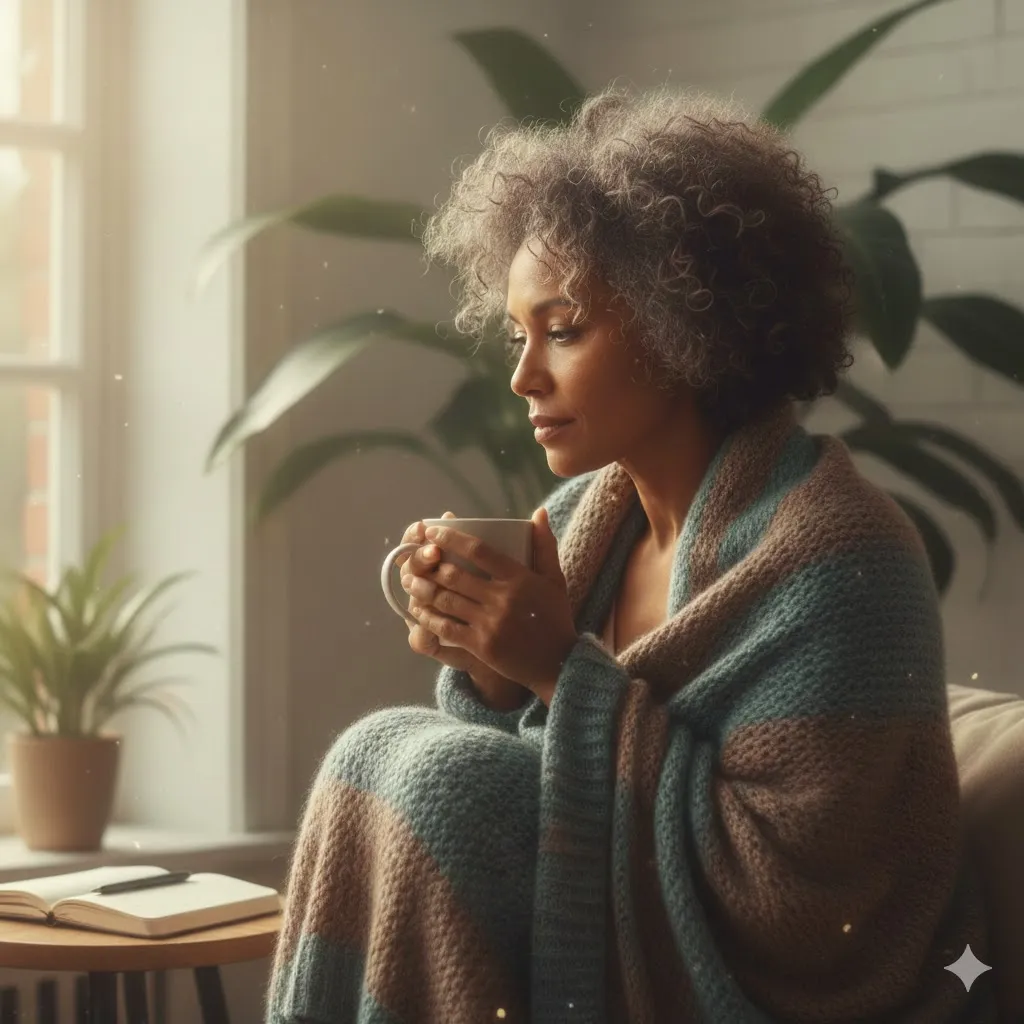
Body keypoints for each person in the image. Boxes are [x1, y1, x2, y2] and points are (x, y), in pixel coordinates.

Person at [266, 85, 994, 1023]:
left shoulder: (843, 552)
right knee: (376, 748)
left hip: (790, 991)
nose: (523, 376)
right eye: (518, 336)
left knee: (447, 782)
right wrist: (494, 675)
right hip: (612, 934)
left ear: (688, 323)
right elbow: (536, 792)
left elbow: (802, 905)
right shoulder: (581, 521)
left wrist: (554, 668)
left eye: (563, 331)